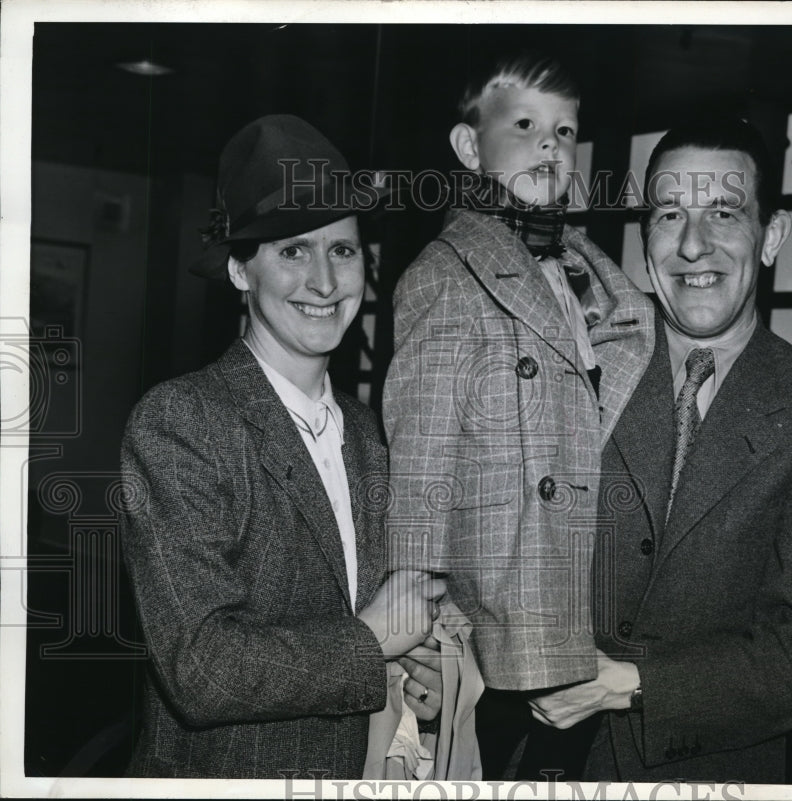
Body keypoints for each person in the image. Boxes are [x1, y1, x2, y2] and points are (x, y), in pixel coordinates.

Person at [528, 115, 792, 783]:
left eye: (724, 212)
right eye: (669, 215)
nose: (693, 245)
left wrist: (630, 685)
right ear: (645, 239)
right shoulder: (574, 364)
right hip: (534, 759)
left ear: (771, 236)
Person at [119, 115, 446, 778]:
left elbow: (377, 625)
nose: (324, 282)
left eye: (343, 250)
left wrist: (419, 679)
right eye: (293, 251)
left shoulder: (370, 433)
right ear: (240, 270)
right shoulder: (182, 421)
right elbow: (201, 667)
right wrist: (373, 640)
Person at [380, 54, 656, 775]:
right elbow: (421, 462)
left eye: (565, 131)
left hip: (583, 601)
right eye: (526, 125)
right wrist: (418, 626)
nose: (549, 145)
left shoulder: (589, 275)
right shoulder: (446, 275)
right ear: (469, 147)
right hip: (493, 612)